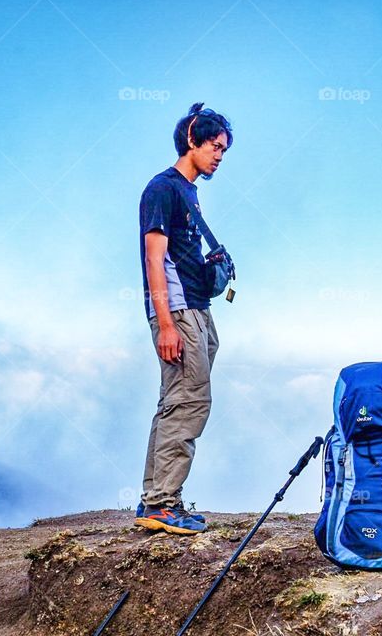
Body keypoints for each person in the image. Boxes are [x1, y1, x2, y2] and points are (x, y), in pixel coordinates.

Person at [134, 102, 233, 534]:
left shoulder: (188, 192)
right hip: (177, 310)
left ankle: (154, 498)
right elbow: (154, 259)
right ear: (192, 139)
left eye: (224, 150)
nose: (219, 156)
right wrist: (168, 324)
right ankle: (162, 503)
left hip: (197, 308)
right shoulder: (163, 189)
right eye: (214, 146)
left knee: (173, 401)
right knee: (191, 401)